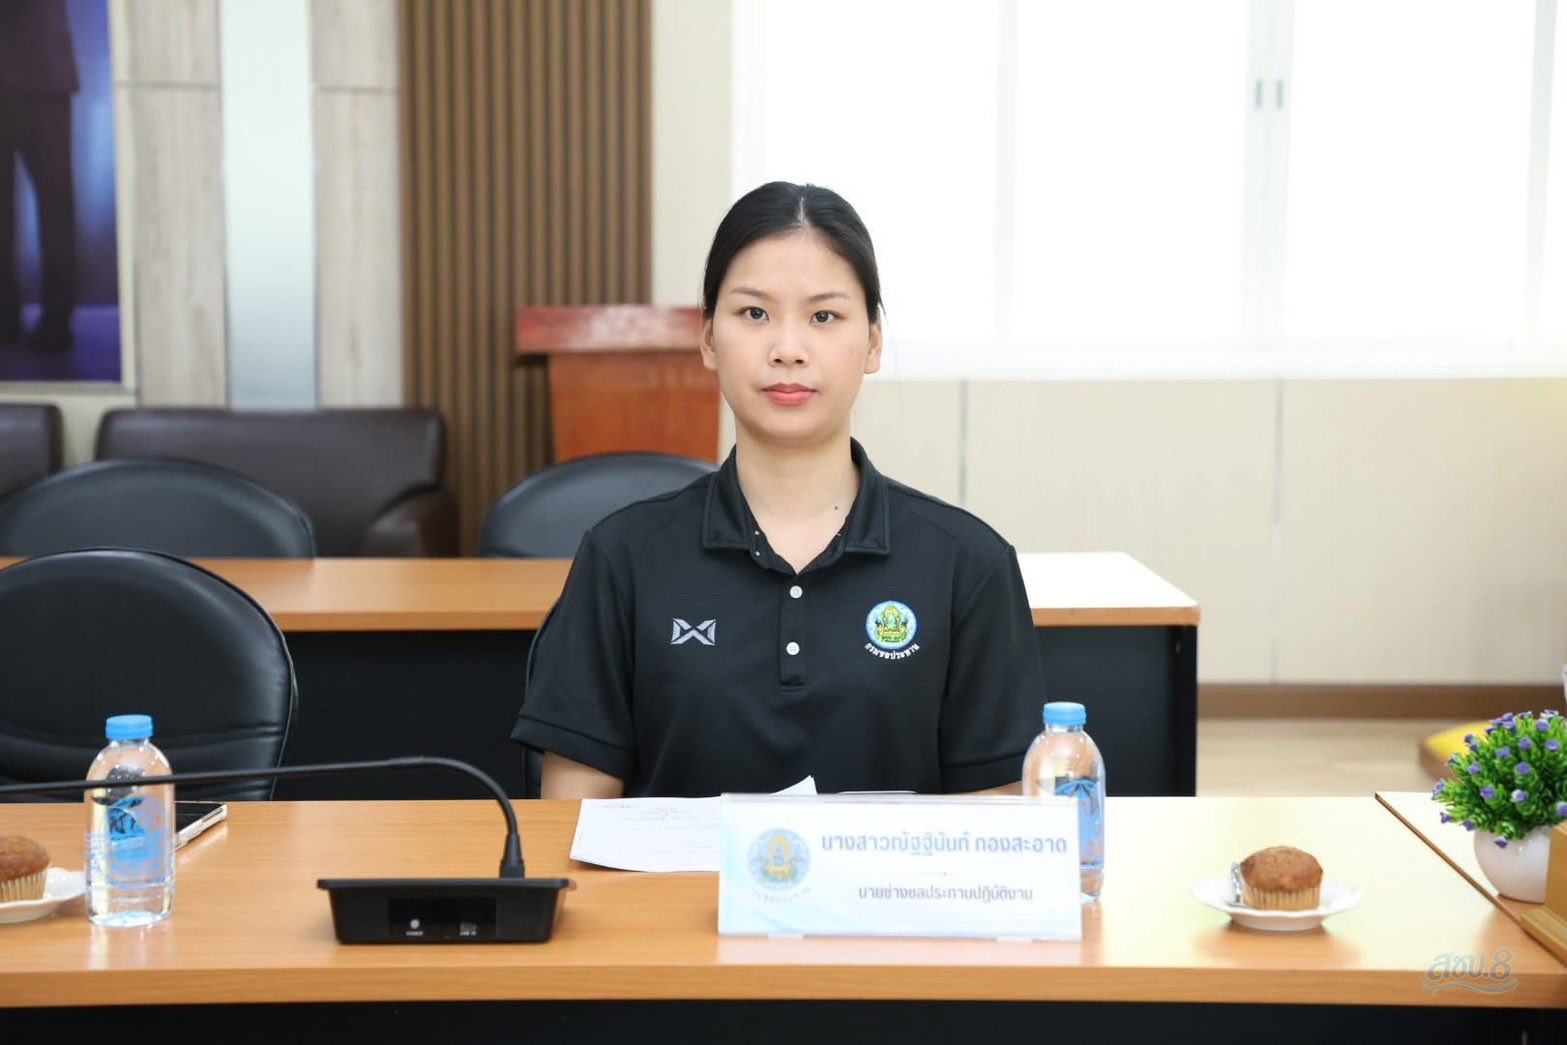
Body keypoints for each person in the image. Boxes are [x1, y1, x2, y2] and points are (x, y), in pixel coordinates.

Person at [511, 181, 1044, 799]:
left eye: (824, 316)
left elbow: (997, 826)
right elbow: (572, 822)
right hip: (675, 872)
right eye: (754, 314)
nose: (788, 350)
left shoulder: (967, 564)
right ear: (708, 339)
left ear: (873, 342)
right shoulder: (622, 556)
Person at [0, 0, 79, 351]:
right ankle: (25, 318)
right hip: (44, 70)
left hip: (43, 74)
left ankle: (51, 320)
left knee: (55, 205)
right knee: (55, 205)